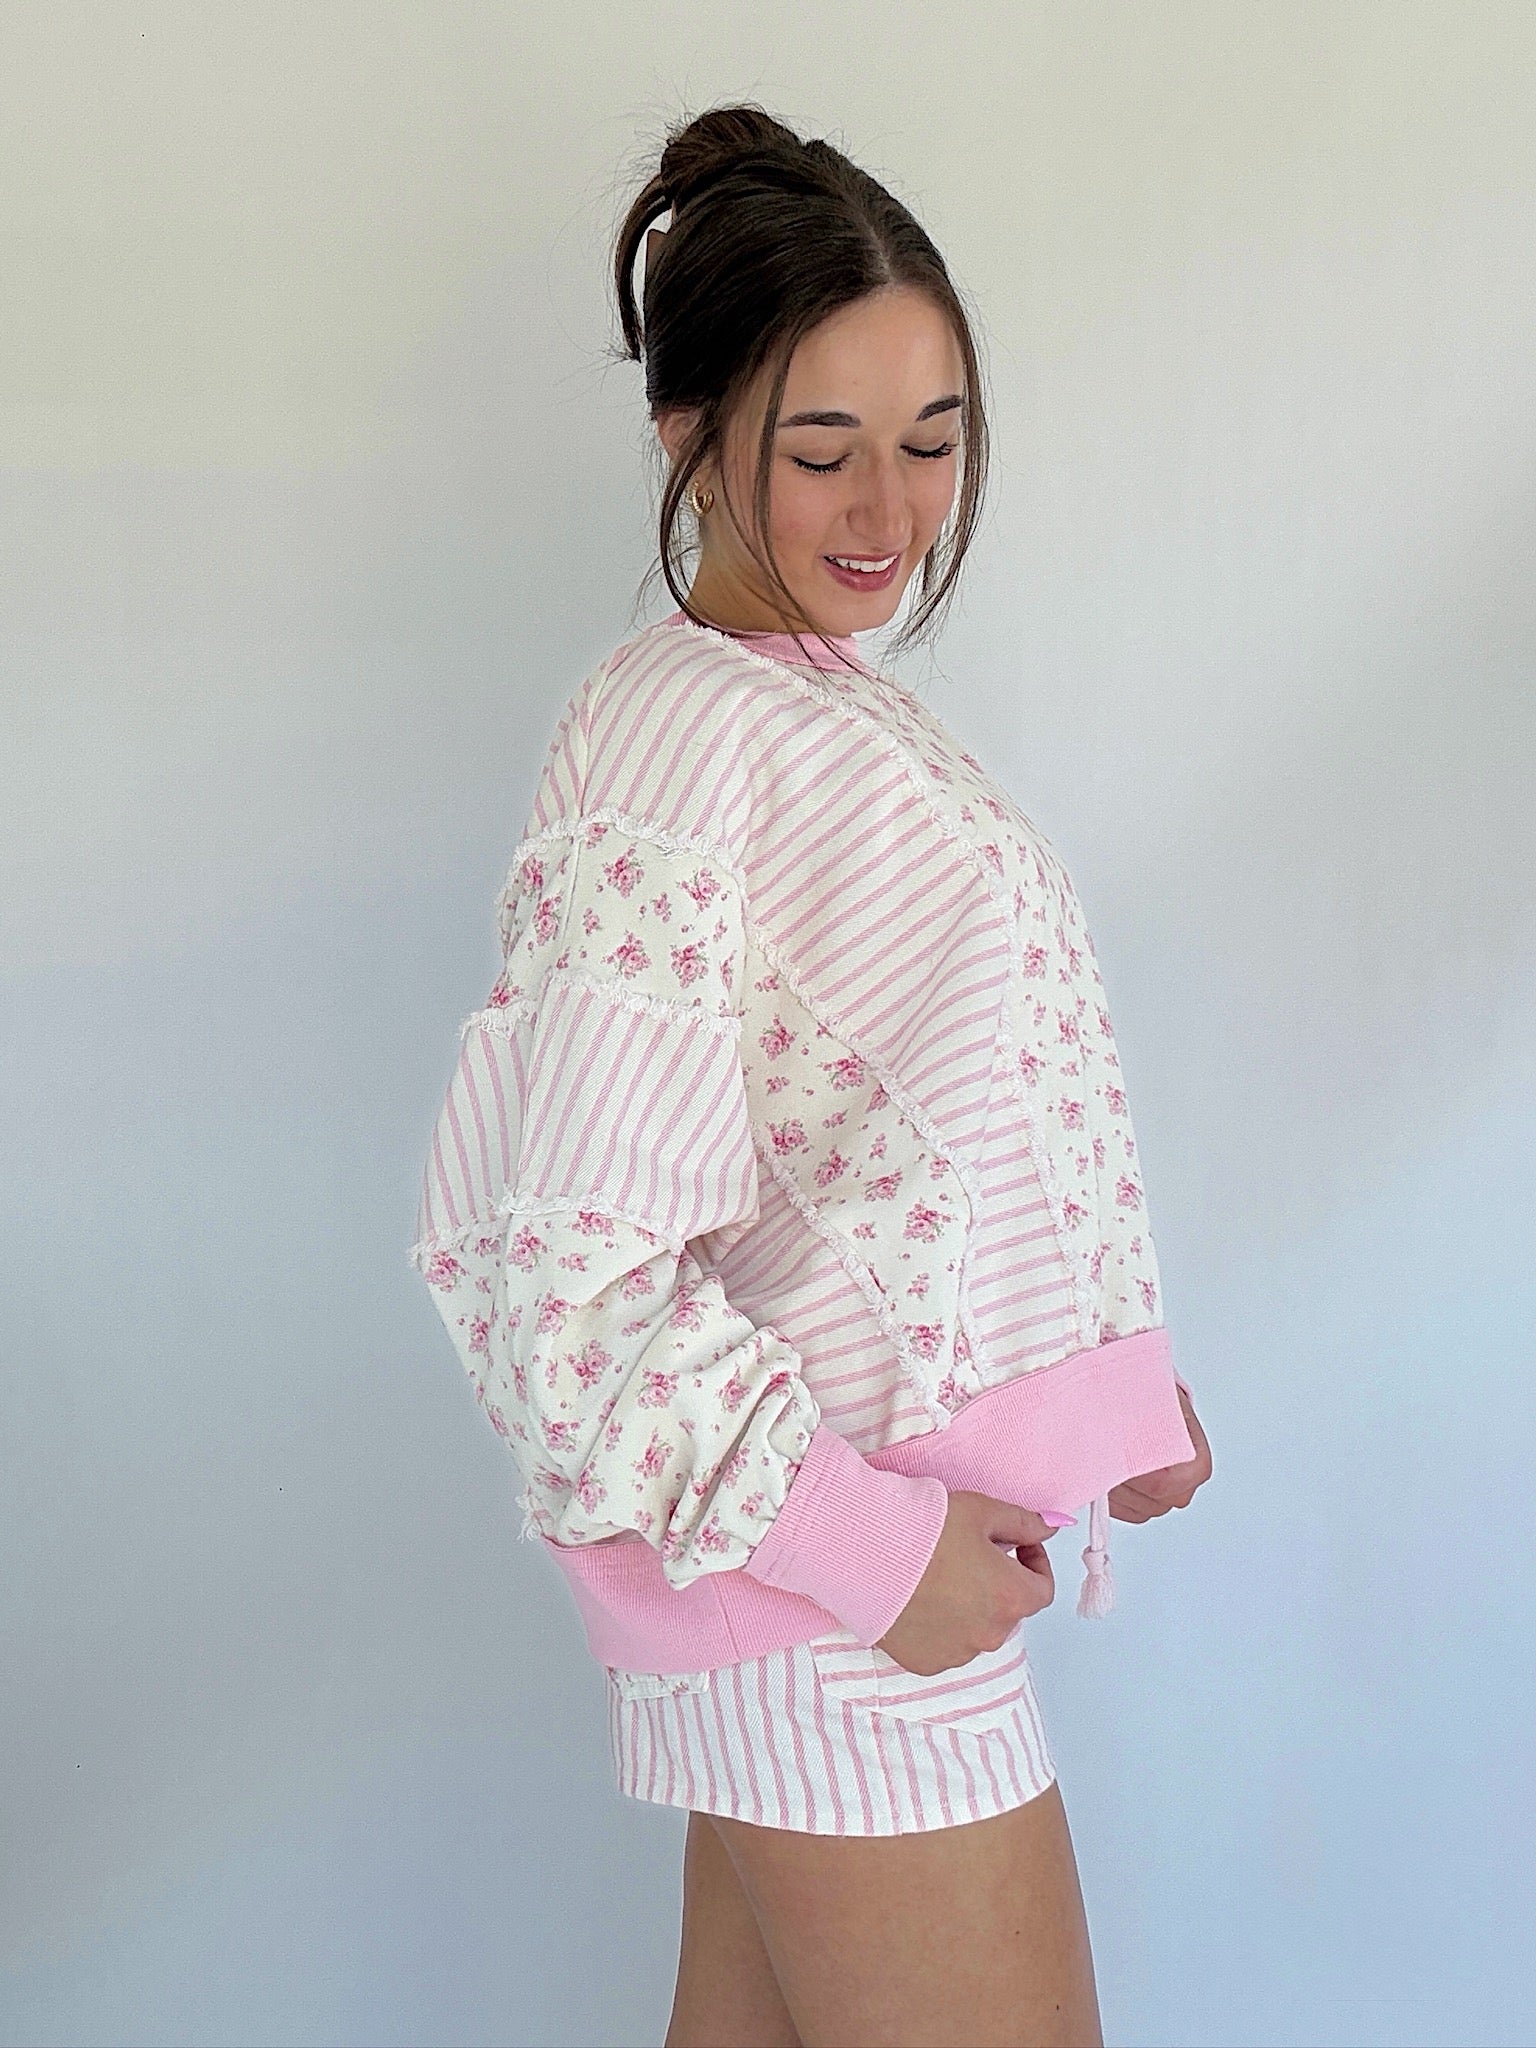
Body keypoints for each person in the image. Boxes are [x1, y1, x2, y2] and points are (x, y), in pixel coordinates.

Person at [410, 101, 1214, 2048]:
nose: (890, 509)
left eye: (933, 442)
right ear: (687, 434)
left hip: (835, 1588)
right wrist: (871, 1548)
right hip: (832, 1600)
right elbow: (561, 1281)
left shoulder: (805, 716)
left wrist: (1105, 1401)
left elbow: (880, 1147)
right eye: (823, 448)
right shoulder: (687, 742)